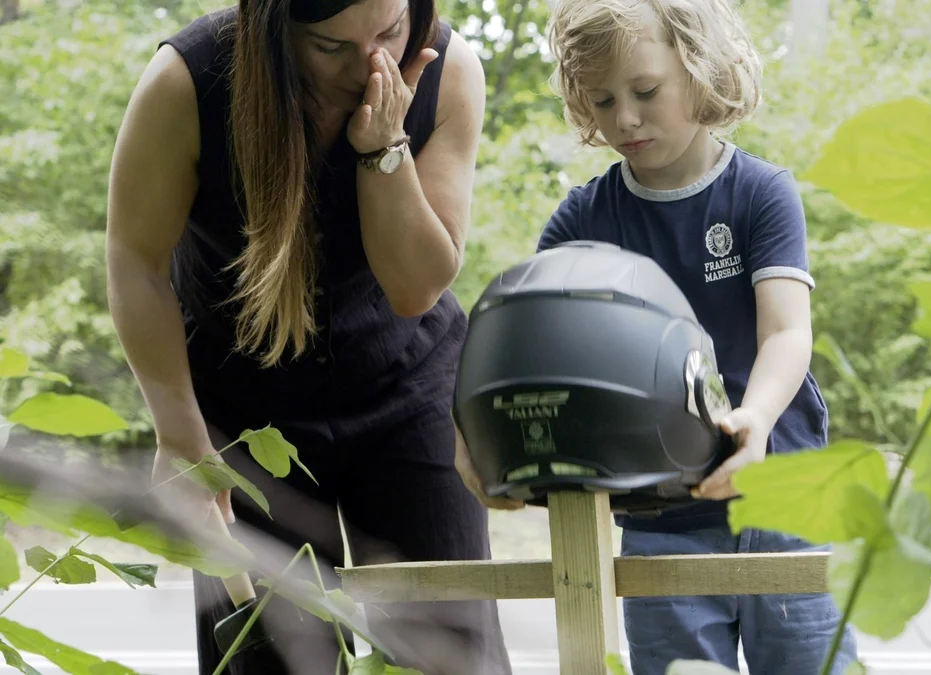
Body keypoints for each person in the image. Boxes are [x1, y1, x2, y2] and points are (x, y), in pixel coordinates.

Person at [104, 0, 512, 673]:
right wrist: (179, 435)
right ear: (276, 28)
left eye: (389, 32)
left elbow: (416, 287)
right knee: (269, 654)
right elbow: (134, 260)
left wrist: (384, 146)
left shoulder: (450, 68)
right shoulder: (189, 79)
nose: (370, 65)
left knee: (449, 648)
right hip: (242, 402)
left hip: (407, 384)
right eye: (331, 47)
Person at [538, 0, 859, 672]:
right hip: (660, 527)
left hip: (784, 508)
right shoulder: (582, 219)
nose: (624, 117)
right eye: (601, 99)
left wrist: (756, 418)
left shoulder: (762, 193)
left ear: (699, 67)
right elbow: (530, 343)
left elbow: (786, 332)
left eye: (645, 91)